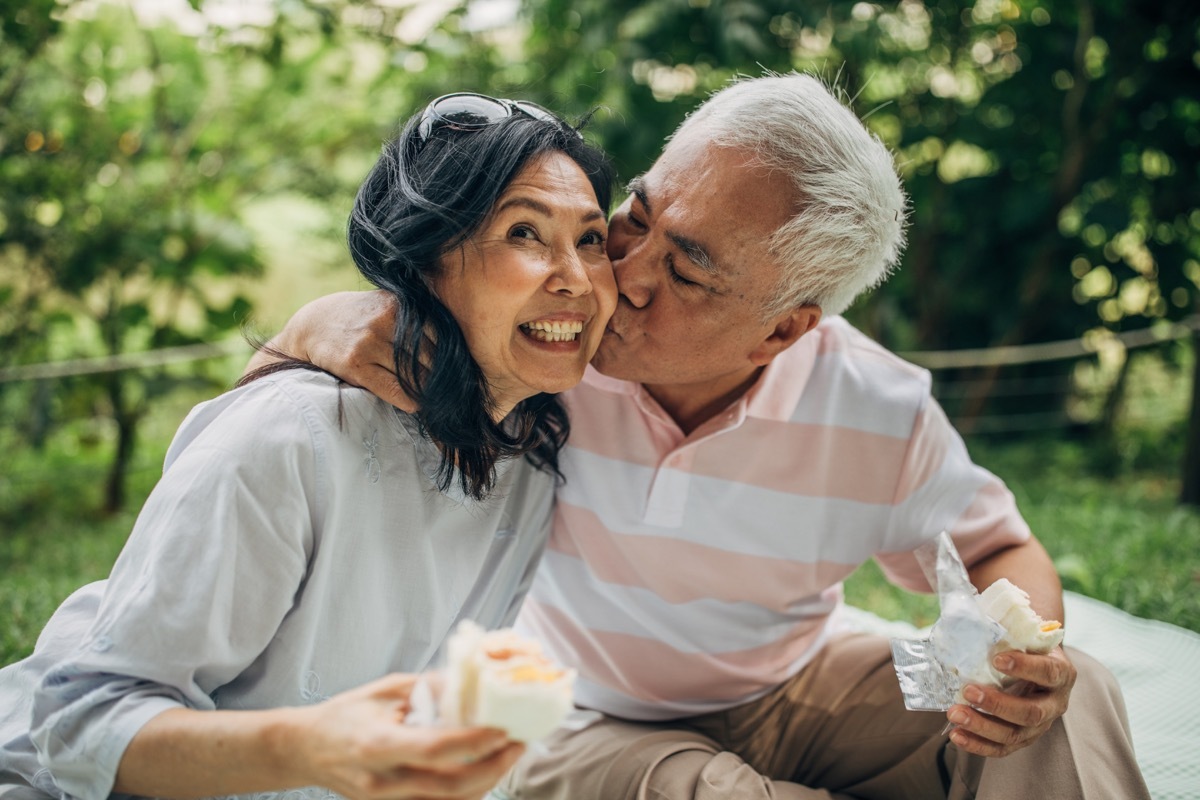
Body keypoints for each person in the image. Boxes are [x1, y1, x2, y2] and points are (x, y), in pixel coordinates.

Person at [245, 74, 1150, 799]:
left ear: (783, 332)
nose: (621, 276)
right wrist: (310, 328)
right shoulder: (549, 345)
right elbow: (286, 422)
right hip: (574, 716)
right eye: (637, 218)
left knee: (1072, 699)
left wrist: (1021, 662)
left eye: (686, 271)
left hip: (796, 688)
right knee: (706, 790)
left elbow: (999, 546)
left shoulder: (875, 407)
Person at [0, 92, 617, 800]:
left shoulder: (538, 450)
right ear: (425, 262)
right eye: (524, 234)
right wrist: (310, 748)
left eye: (591, 239)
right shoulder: (293, 437)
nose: (574, 277)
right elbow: (79, 724)